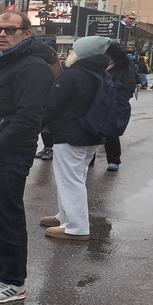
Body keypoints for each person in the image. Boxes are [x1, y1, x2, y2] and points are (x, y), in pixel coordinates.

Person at [0, 11, 53, 303]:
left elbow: (29, 117)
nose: (1, 34)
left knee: (7, 216)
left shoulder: (33, 67)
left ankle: (14, 281)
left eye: (10, 30)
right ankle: (1, 268)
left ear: (26, 34)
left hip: (7, 154)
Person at [39, 37, 112, 241]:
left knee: (69, 181)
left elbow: (52, 105)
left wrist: (41, 124)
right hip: (91, 134)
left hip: (70, 134)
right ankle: (65, 216)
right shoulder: (100, 74)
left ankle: (76, 227)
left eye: (73, 49)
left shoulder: (73, 76)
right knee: (75, 178)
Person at [103, 42, 138, 172]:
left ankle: (113, 159)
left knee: (111, 133)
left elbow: (128, 87)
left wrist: (111, 86)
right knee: (92, 131)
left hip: (114, 104)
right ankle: (90, 158)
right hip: (97, 104)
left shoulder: (124, 68)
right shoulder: (99, 66)